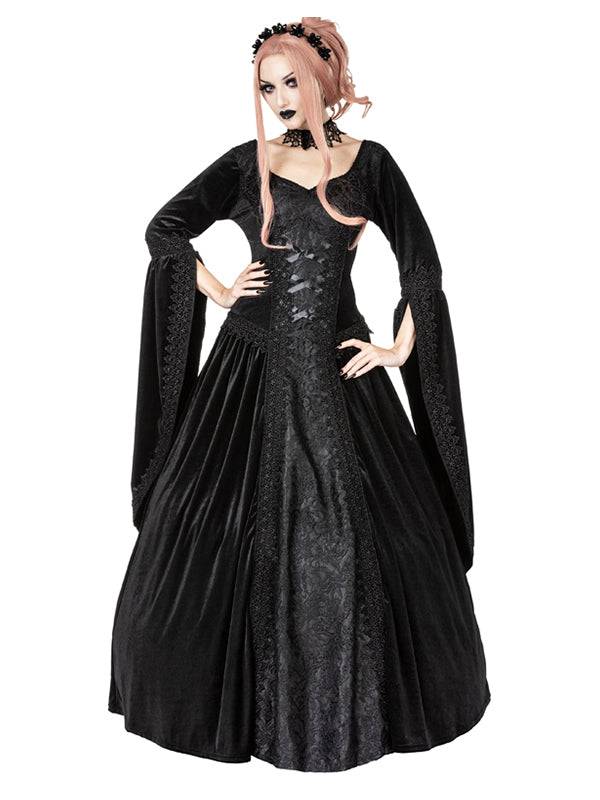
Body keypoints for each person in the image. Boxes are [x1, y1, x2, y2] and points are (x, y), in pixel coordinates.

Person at [108, 17, 491, 773]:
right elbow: (164, 229)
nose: (282, 97)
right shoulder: (247, 162)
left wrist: (396, 347)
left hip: (341, 369)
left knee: (383, 539)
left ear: (324, 77)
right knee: (205, 531)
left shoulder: (370, 164)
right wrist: (218, 288)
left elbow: (422, 266)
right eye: (268, 87)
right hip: (247, 368)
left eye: (293, 81)